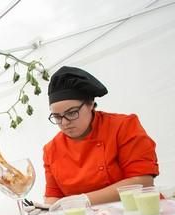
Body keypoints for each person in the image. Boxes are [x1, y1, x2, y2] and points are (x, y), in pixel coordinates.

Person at [41, 66, 159, 207]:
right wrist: (46, 210)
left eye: (72, 113)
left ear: (90, 104)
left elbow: (142, 182)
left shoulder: (122, 126)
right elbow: (53, 197)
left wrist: (84, 200)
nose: (65, 122)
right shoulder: (51, 150)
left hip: (139, 212)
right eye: (57, 116)